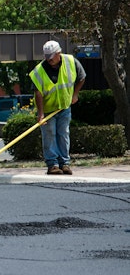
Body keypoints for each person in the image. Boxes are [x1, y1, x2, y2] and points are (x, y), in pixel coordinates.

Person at [30, 40, 86, 175]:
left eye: (51, 57)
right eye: (46, 57)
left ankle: (64, 163)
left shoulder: (71, 62)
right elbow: (38, 93)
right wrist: (41, 114)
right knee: (49, 135)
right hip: (48, 110)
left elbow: (82, 77)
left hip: (64, 107)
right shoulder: (39, 71)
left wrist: (75, 94)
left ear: (58, 53)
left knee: (63, 134)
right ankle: (53, 165)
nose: (49, 60)